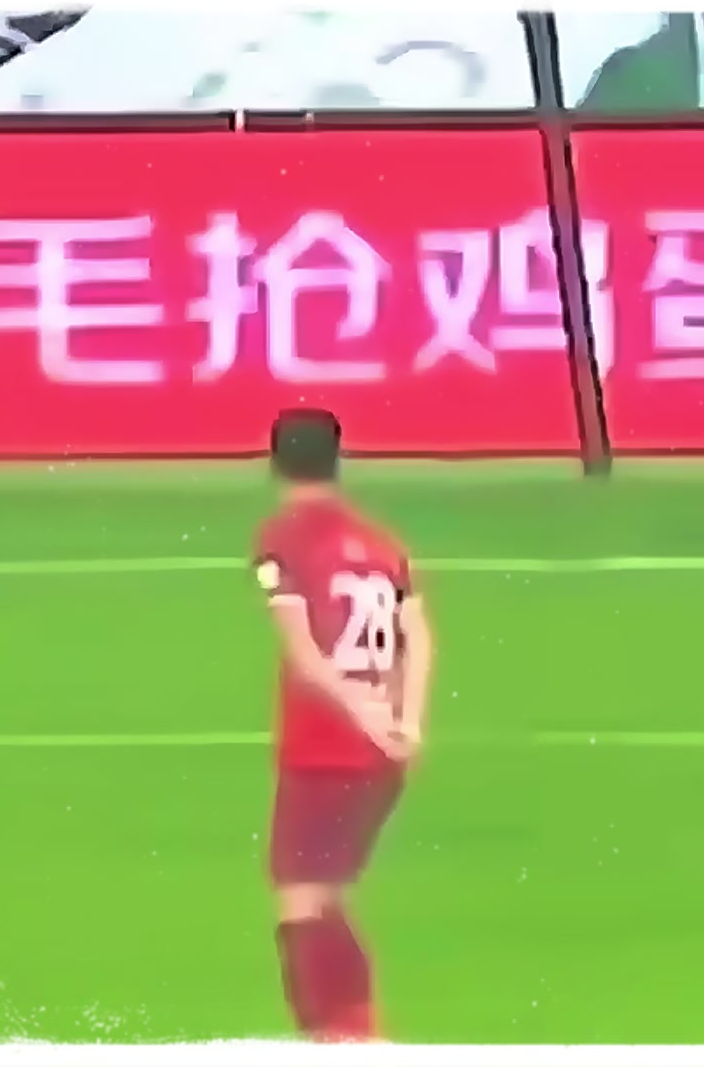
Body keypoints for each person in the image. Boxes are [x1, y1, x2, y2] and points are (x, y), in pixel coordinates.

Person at [254, 408, 433, 1042]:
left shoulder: (284, 539)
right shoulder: (382, 544)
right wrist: (406, 721)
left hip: (324, 749)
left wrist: (359, 713)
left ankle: (344, 1036)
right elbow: (417, 634)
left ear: (275, 464)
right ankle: (353, 1030)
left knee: (303, 900)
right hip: (383, 755)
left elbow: (305, 653)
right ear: (339, 459)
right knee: (326, 894)